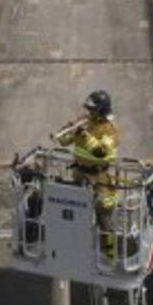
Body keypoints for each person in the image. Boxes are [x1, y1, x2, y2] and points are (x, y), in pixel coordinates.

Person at [52, 90, 121, 261]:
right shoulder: (85, 122)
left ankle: (110, 253)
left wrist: (84, 135)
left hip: (98, 177)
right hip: (79, 174)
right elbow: (63, 142)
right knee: (76, 209)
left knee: (104, 213)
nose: (89, 112)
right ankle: (77, 248)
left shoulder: (110, 129)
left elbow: (101, 151)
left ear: (101, 110)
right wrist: (66, 130)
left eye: (93, 109)